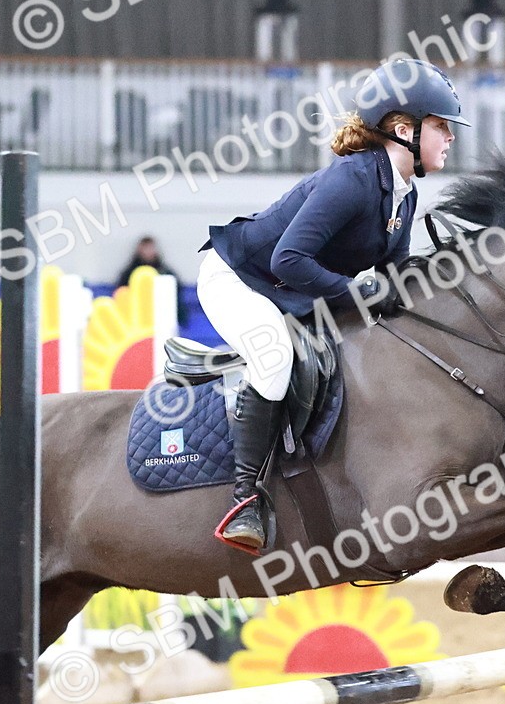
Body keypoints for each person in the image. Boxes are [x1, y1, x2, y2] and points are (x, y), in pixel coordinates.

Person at [196, 58, 470, 553]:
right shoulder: (354, 178)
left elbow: (393, 279)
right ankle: (245, 500)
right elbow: (289, 258)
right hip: (239, 279)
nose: (450, 138)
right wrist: (359, 293)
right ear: (404, 130)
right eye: (441, 127)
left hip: (290, 288)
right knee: (275, 360)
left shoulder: (404, 194)